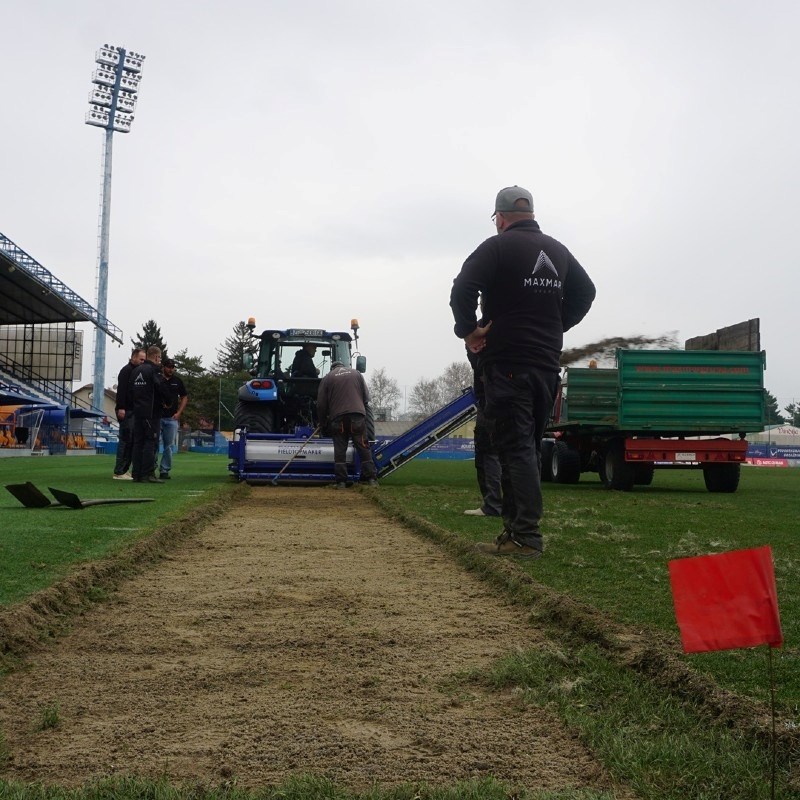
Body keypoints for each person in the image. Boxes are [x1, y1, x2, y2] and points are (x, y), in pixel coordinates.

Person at [450, 185, 596, 558]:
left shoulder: (496, 247)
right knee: (526, 449)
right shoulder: (558, 250)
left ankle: (526, 538)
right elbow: (586, 292)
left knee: (514, 449)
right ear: (530, 213)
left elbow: (462, 288)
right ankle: (514, 534)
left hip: (508, 364)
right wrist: (554, 326)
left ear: (500, 218)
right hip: (546, 366)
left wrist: (470, 332)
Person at [317, 360, 378, 488]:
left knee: (340, 449)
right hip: (357, 416)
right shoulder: (356, 374)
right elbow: (366, 399)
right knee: (362, 446)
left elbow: (321, 404)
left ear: (332, 368)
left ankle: (341, 482)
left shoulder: (328, 377)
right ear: (343, 365)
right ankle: (372, 479)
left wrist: (322, 423)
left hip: (338, 418)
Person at [463, 346, 502, 517]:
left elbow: (473, 355)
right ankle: (505, 504)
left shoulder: (484, 347)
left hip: (490, 403)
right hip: (502, 400)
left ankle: (492, 504)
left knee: (487, 453)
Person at [130, 345, 171, 484]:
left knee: (138, 443)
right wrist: (168, 401)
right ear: (156, 357)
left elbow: (131, 391)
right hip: (151, 413)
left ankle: (136, 474)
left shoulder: (135, 371)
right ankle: (148, 474)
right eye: (160, 358)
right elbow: (161, 388)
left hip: (137, 412)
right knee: (150, 442)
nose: (160, 361)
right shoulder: (153, 371)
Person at [112, 347, 145, 480]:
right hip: (126, 410)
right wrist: (121, 408)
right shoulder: (126, 371)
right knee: (125, 440)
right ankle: (119, 471)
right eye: (141, 359)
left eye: (144, 359)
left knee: (130, 441)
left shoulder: (136, 371)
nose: (143, 362)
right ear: (133, 357)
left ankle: (124, 469)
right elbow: (121, 391)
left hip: (133, 411)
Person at [157, 358, 188, 480]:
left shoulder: (177, 381)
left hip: (171, 418)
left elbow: (185, 397)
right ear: (163, 367)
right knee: (154, 444)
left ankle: (164, 470)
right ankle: (150, 468)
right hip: (158, 417)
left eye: (173, 367)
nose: (171, 369)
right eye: (169, 367)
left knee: (168, 446)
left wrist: (179, 412)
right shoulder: (158, 379)